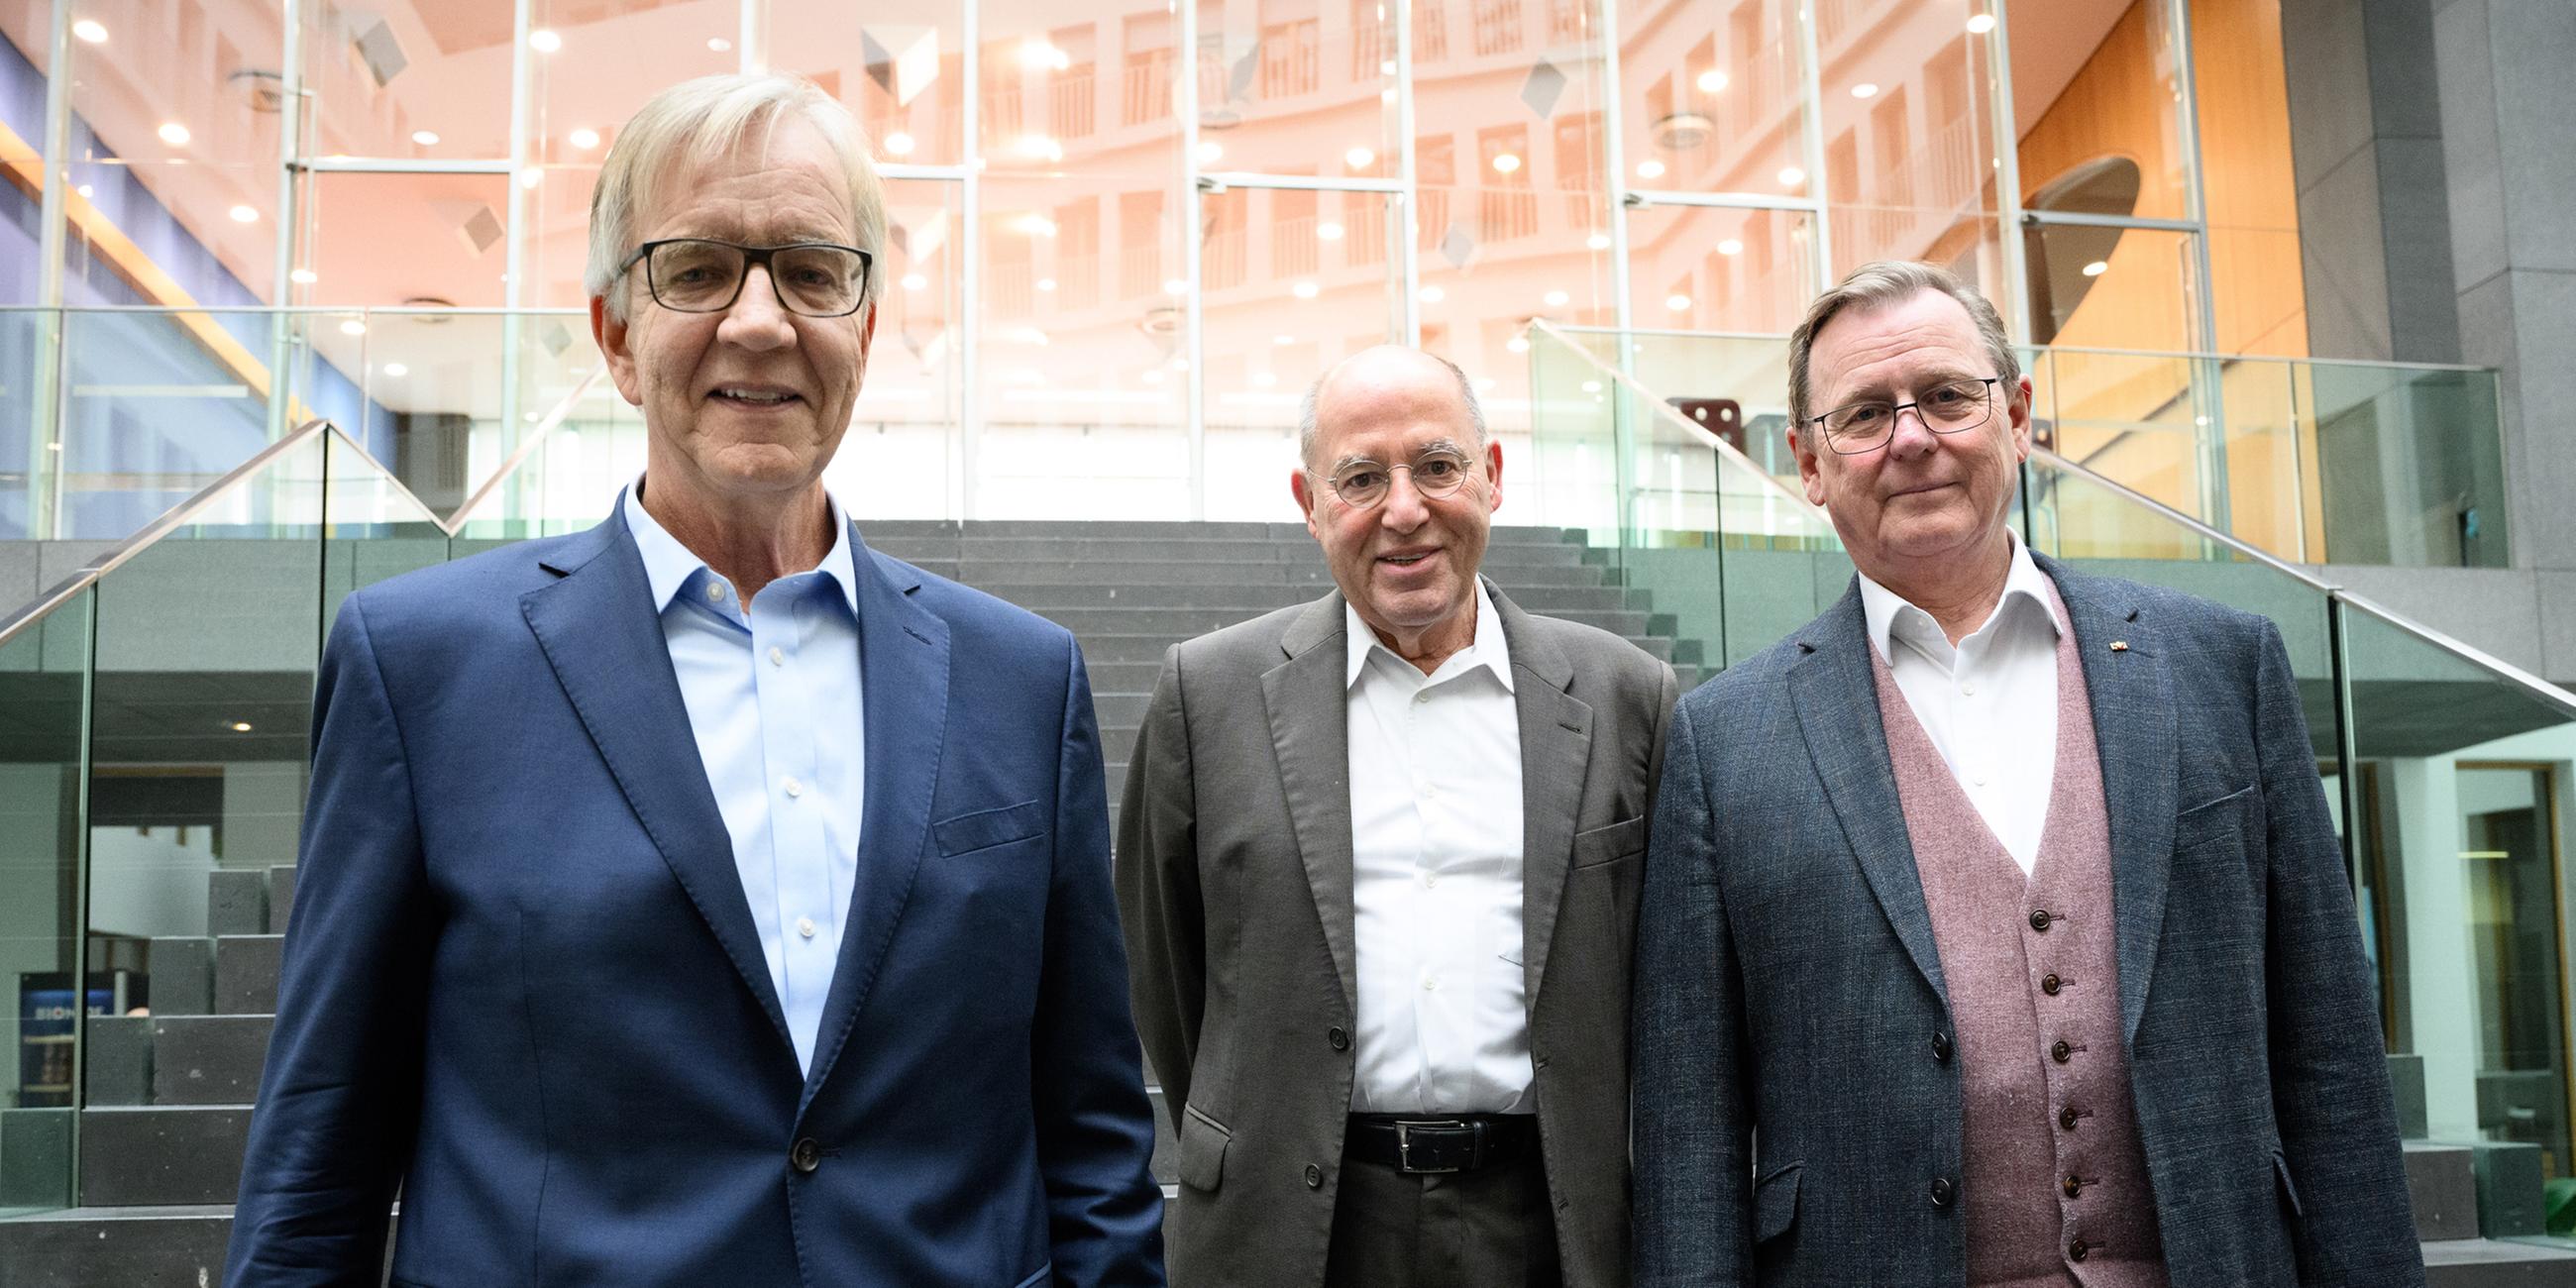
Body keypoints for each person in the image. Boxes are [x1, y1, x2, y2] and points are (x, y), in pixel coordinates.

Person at [225, 72, 1165, 1287]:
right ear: (616, 335)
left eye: (812, 270)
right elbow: (320, 1159)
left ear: (865, 331)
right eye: (698, 268)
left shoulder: (1020, 680)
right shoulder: (421, 667)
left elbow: (1091, 1138)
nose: (762, 321)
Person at [1632, 261, 2421, 1286]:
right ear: (1809, 463)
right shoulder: (1720, 740)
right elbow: (1689, 1125)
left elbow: (2330, 1055)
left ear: (2015, 416)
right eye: (1864, 413)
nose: (1911, 437)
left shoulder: (2223, 667)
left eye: (1948, 397)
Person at [1118, 345, 1678, 1288]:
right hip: (1293, 1229)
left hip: (1551, 1225)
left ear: (1491, 478)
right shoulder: (1204, 696)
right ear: (1310, 502)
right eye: (1362, 478)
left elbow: (1669, 991)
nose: (1405, 510)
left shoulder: (1630, 697)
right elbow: (1165, 974)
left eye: (1437, 465)